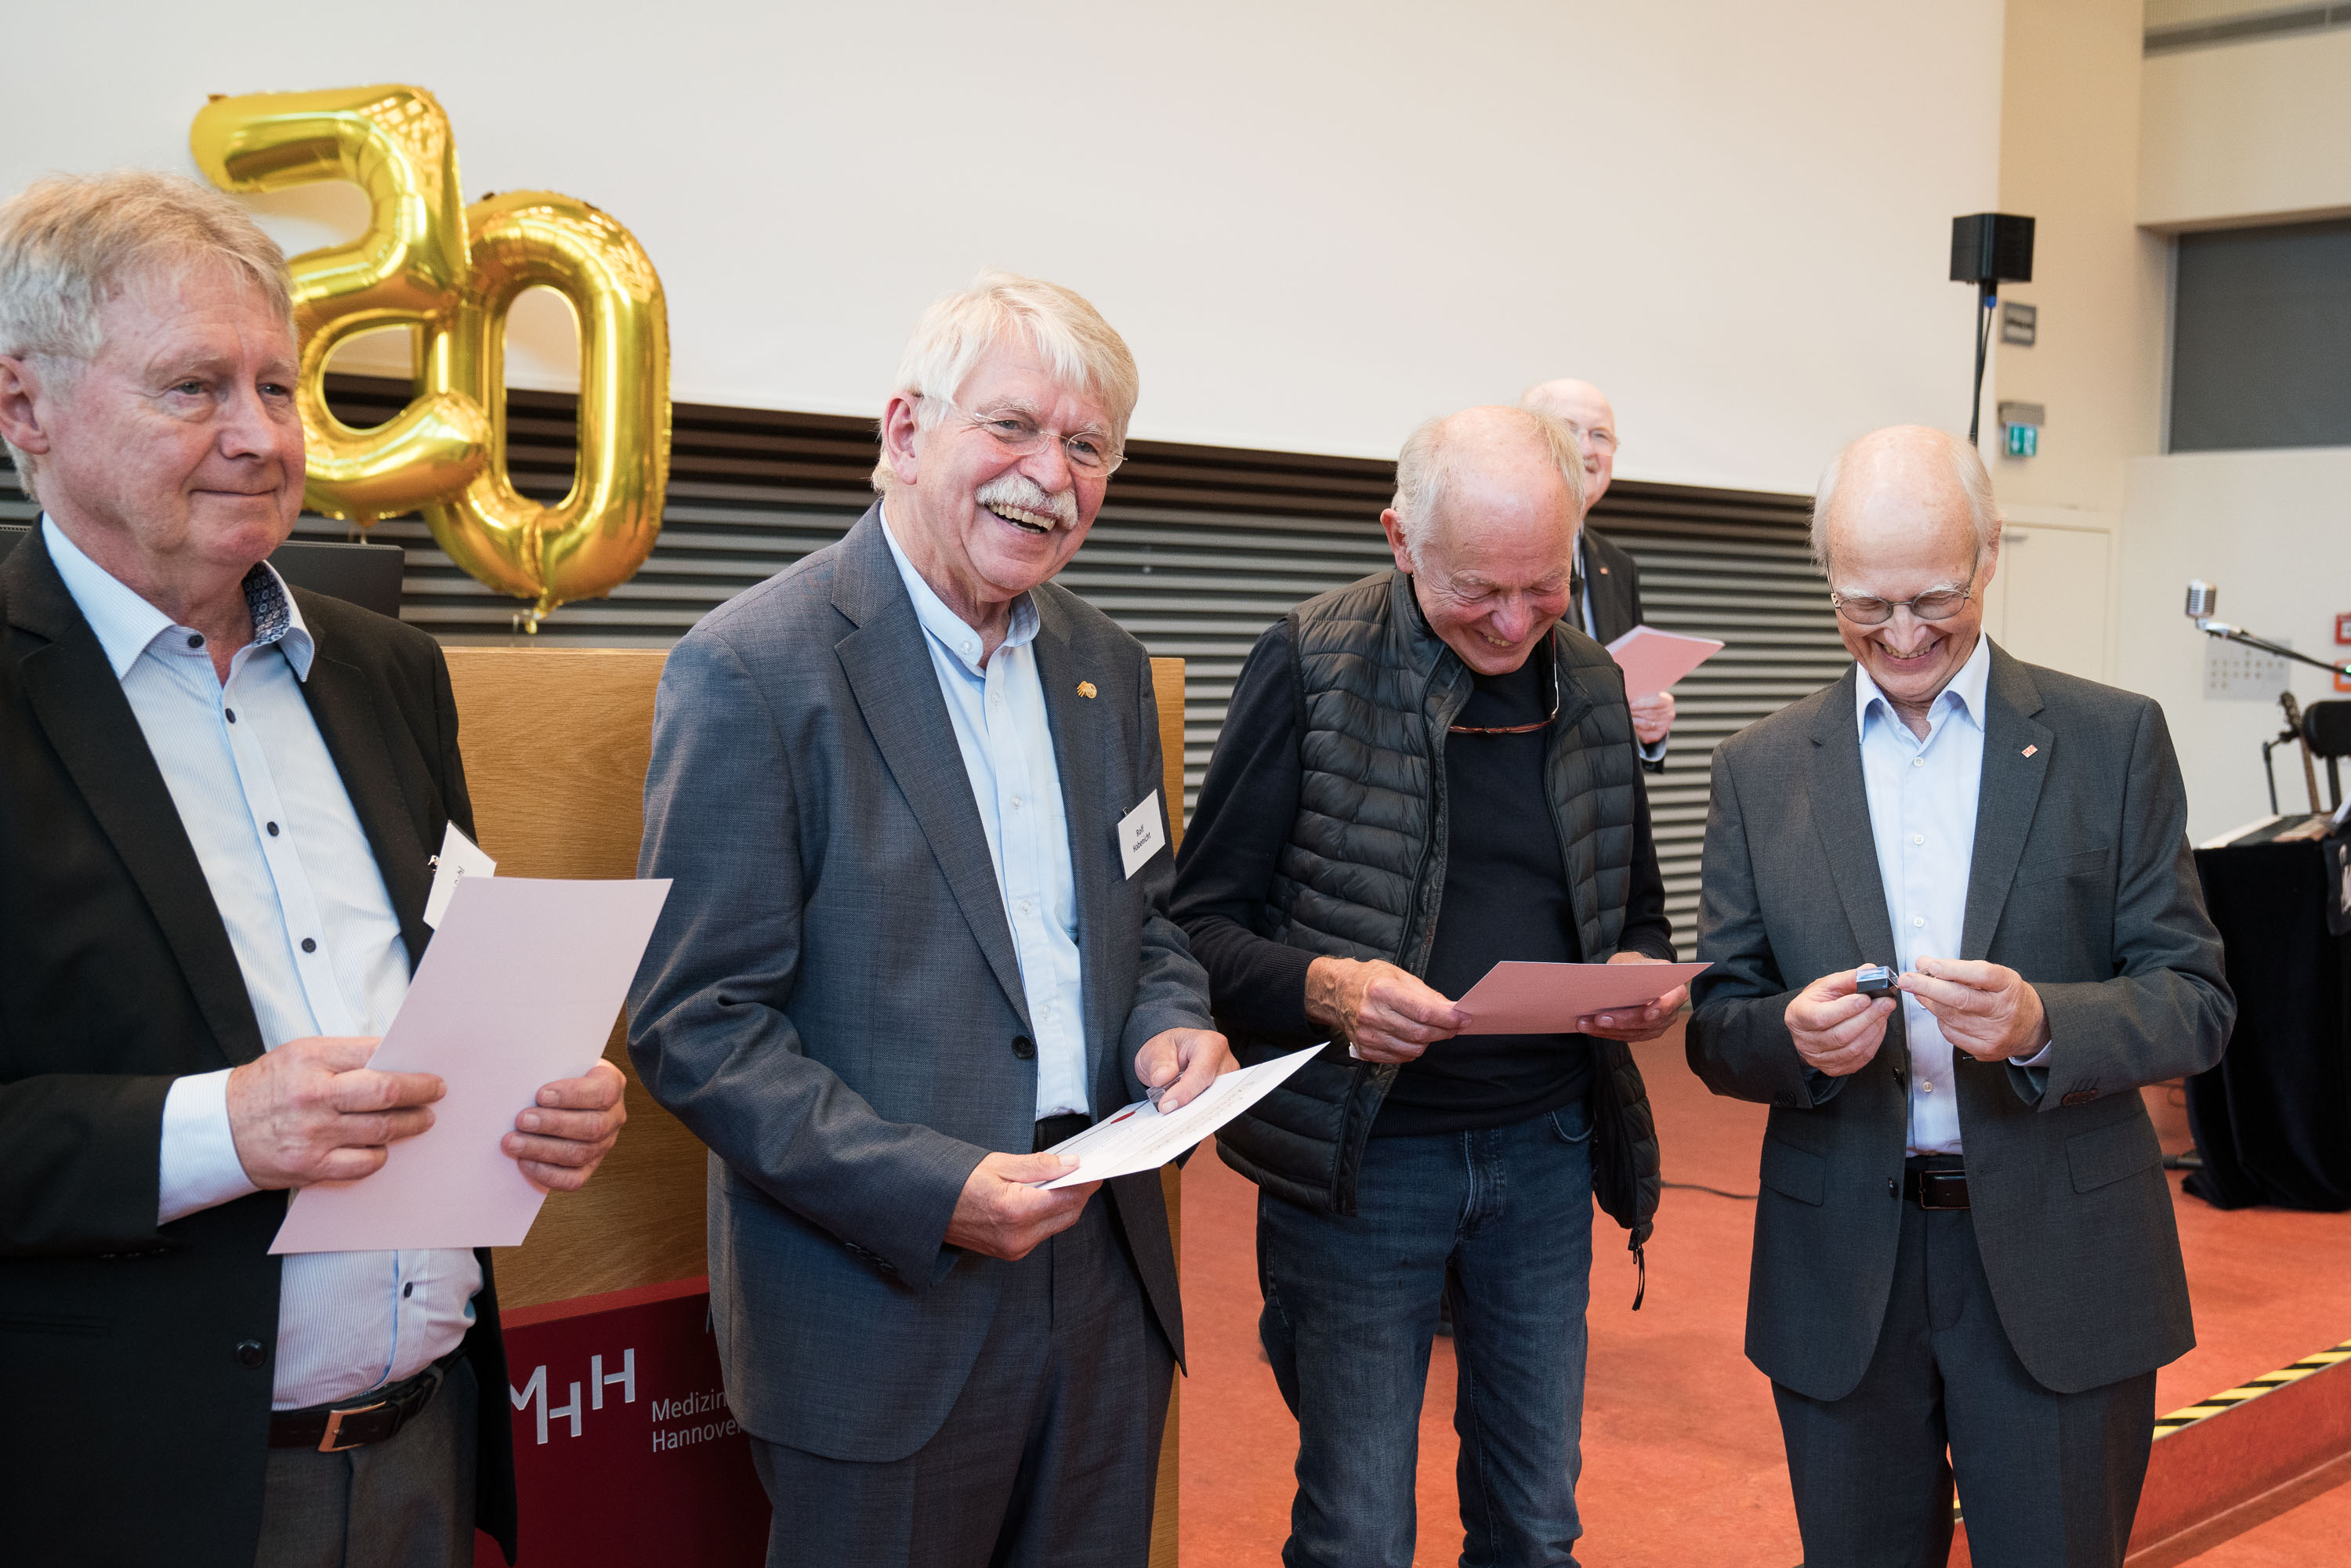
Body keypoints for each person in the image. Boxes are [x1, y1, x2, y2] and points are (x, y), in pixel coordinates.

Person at [0, 171, 629, 1568]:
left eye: (280, 389)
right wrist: (220, 1130)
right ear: (23, 408)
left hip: (425, 1444)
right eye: (192, 388)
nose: (257, 437)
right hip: (126, 1487)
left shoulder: (390, 672)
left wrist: (539, 1097)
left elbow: (451, 966)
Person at [628, 270, 1230, 1568]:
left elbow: (1149, 920)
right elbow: (692, 1023)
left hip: (1105, 1272)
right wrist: (933, 1187)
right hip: (882, 1297)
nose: (1049, 476)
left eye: (1086, 447)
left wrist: (1172, 1025)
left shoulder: (1105, 667)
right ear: (906, 432)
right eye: (1011, 428)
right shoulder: (753, 667)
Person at [1686, 425, 2233, 1568]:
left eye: (1933, 596)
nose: (1899, 635)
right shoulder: (1760, 769)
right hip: (1843, 1271)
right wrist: (1790, 1041)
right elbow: (1718, 1024)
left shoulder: (2109, 741)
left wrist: (2044, 1026)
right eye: (1861, 605)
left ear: (1990, 556)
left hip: (2062, 1259)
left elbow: (2195, 998)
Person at [1172, 404, 1684, 1568]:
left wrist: (1644, 973)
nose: (1512, 622)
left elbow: (1638, 910)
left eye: (1542, 586)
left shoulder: (1594, 683)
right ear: (1400, 539)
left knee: (1538, 1521)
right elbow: (1199, 928)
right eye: (1477, 590)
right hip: (1364, 1160)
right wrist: (1329, 988)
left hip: (1546, 1152)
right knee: (1356, 1529)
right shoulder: (1308, 660)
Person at [1520, 377, 1668, 770]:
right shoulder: (1494, 548)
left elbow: (1625, 690)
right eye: (1568, 430)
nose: (1587, 449)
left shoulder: (1617, 566)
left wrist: (1645, 725)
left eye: (1601, 435)